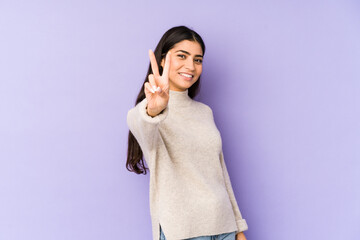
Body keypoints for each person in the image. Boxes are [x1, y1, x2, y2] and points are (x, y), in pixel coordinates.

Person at [126, 25, 248, 240]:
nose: (190, 66)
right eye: (181, 56)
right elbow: (140, 122)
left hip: (224, 226)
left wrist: (238, 227)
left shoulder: (204, 112)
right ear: (162, 60)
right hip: (183, 232)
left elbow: (221, 174)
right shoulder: (147, 113)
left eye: (198, 59)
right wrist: (155, 108)